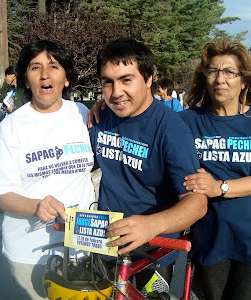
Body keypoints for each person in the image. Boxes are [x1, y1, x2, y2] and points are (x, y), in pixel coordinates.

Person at [89, 37, 207, 289]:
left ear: (148, 79)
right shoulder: (99, 118)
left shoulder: (171, 130)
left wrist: (152, 224)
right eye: (107, 82)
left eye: (126, 79)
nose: (116, 92)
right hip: (105, 240)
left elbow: (197, 203)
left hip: (154, 249)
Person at [181, 38, 251, 300]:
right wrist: (104, 106)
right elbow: (147, 120)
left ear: (244, 81)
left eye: (229, 72)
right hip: (210, 235)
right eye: (213, 71)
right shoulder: (188, 120)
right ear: (205, 78)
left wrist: (219, 187)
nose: (220, 79)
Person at [0, 40, 95, 299]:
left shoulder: (83, 114)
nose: (45, 75)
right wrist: (36, 206)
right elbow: (3, 194)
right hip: (32, 252)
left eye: (54, 66)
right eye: (36, 67)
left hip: (82, 245)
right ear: (25, 80)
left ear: (66, 79)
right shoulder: (12, 127)